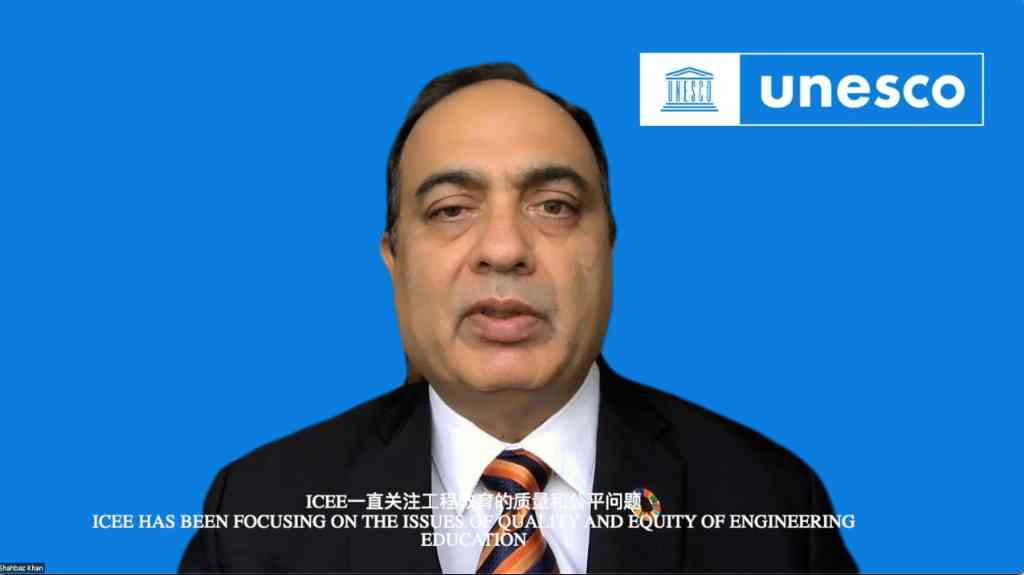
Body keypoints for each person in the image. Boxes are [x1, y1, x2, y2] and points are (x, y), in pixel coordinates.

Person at [179, 62, 858, 573]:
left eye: (554, 206)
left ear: (608, 245)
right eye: (451, 210)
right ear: (394, 258)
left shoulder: (772, 505)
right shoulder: (257, 516)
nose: (504, 249)